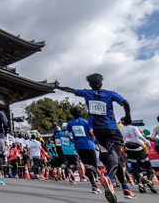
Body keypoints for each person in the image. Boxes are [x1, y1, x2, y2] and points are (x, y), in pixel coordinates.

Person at [56, 73, 135, 201]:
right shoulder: (110, 93)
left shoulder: (87, 93)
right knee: (114, 155)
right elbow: (125, 103)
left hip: (98, 131)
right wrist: (128, 117)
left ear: (89, 84)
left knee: (116, 157)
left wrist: (57, 87)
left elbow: (70, 89)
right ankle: (109, 178)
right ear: (102, 83)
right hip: (111, 128)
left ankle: (126, 188)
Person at [66, 106, 100, 194]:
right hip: (88, 145)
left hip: (78, 146)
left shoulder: (70, 123)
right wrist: (92, 140)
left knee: (86, 164)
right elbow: (92, 133)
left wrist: (71, 138)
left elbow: (66, 133)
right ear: (80, 113)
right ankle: (98, 175)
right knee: (93, 164)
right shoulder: (85, 122)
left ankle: (93, 186)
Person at [119, 118, 157, 194]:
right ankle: (149, 181)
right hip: (137, 148)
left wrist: (124, 146)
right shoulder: (133, 128)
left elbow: (121, 139)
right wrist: (148, 143)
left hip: (128, 149)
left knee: (135, 167)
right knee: (148, 165)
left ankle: (139, 184)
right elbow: (140, 136)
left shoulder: (121, 129)